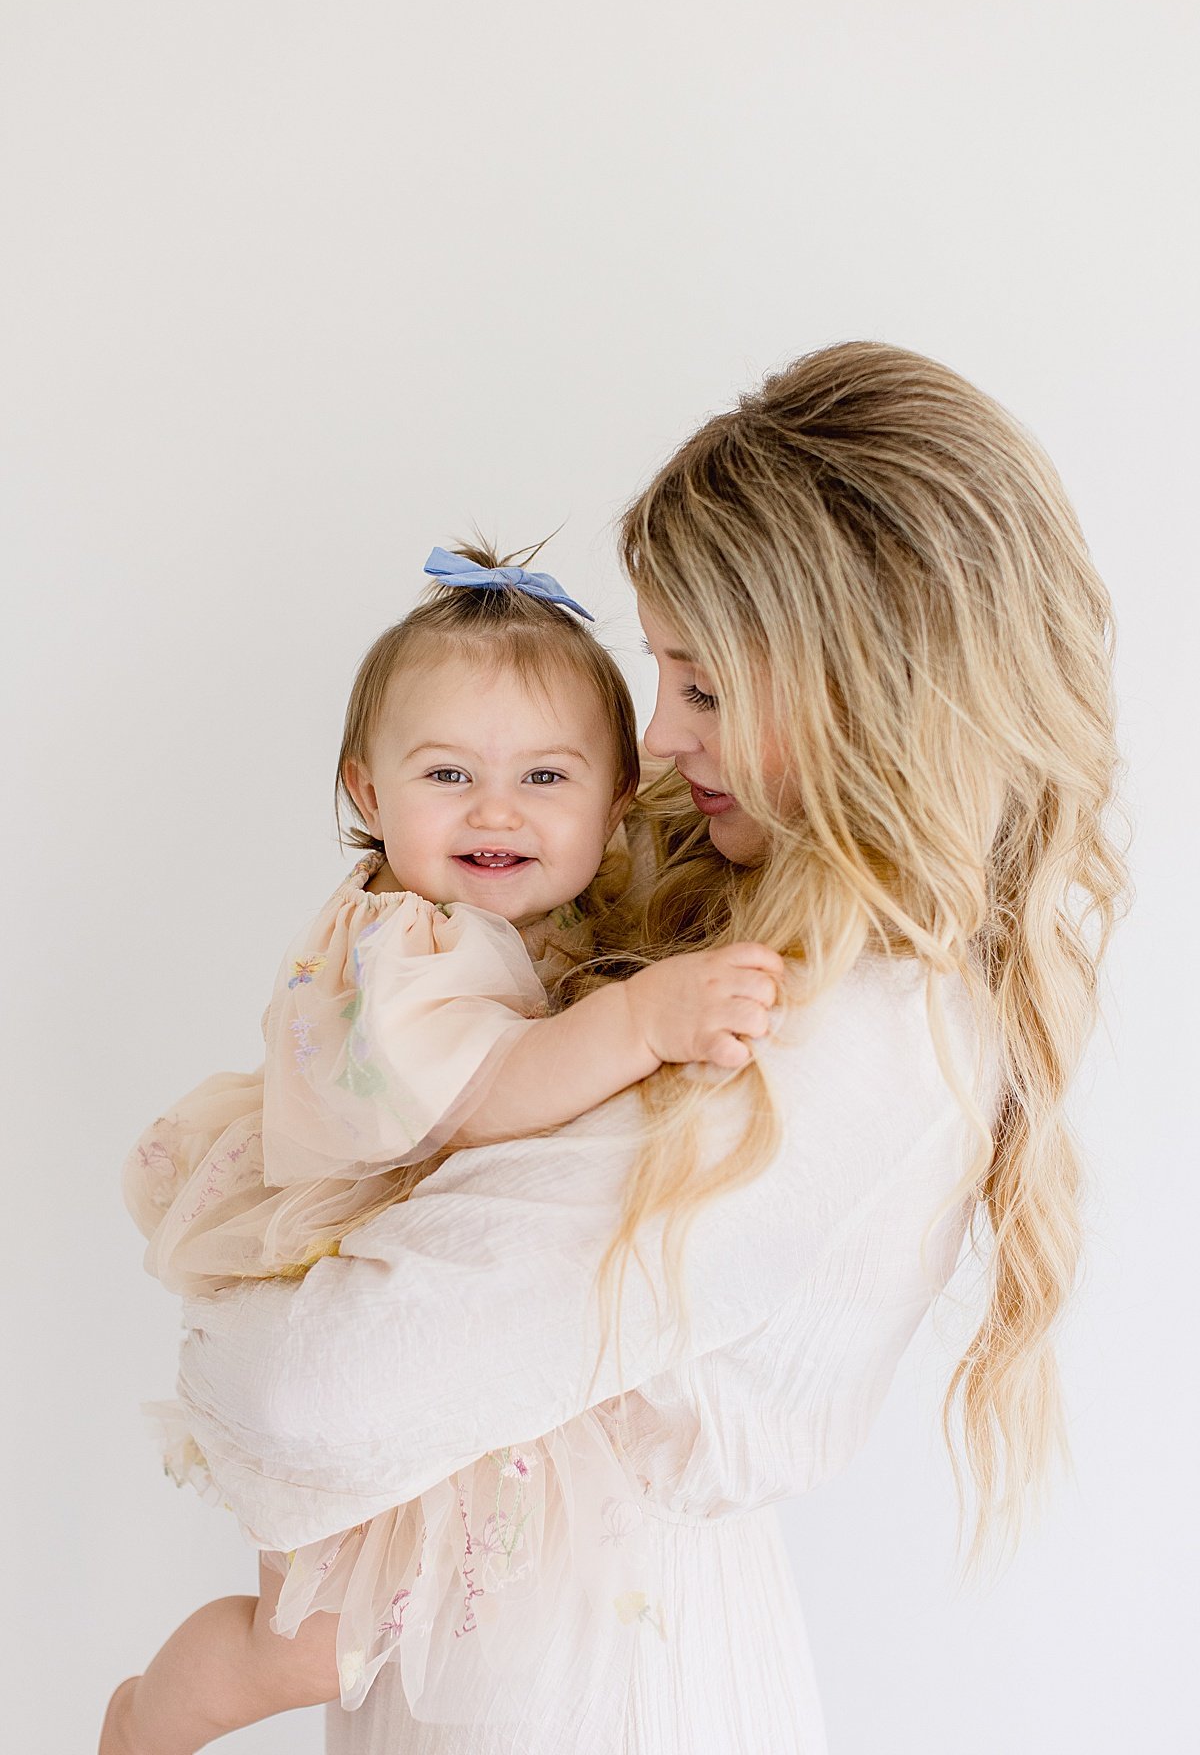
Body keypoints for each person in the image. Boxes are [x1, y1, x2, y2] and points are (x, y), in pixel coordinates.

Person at [105, 341, 1127, 1755]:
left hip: (593, 1689)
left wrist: (239, 1297)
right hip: (516, 1649)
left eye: (703, 688)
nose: (656, 739)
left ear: (862, 692)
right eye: (662, 675)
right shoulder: (768, 954)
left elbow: (307, 1397)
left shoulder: (843, 1033)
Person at [105, 543, 784, 1753]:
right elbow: (486, 1095)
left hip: (429, 1342)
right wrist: (644, 1018)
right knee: (311, 1639)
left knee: (409, 1623)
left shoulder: (529, 925)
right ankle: (144, 1724)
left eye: (543, 776)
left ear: (618, 801)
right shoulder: (403, 947)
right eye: (447, 774)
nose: (496, 810)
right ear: (367, 795)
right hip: (329, 1304)